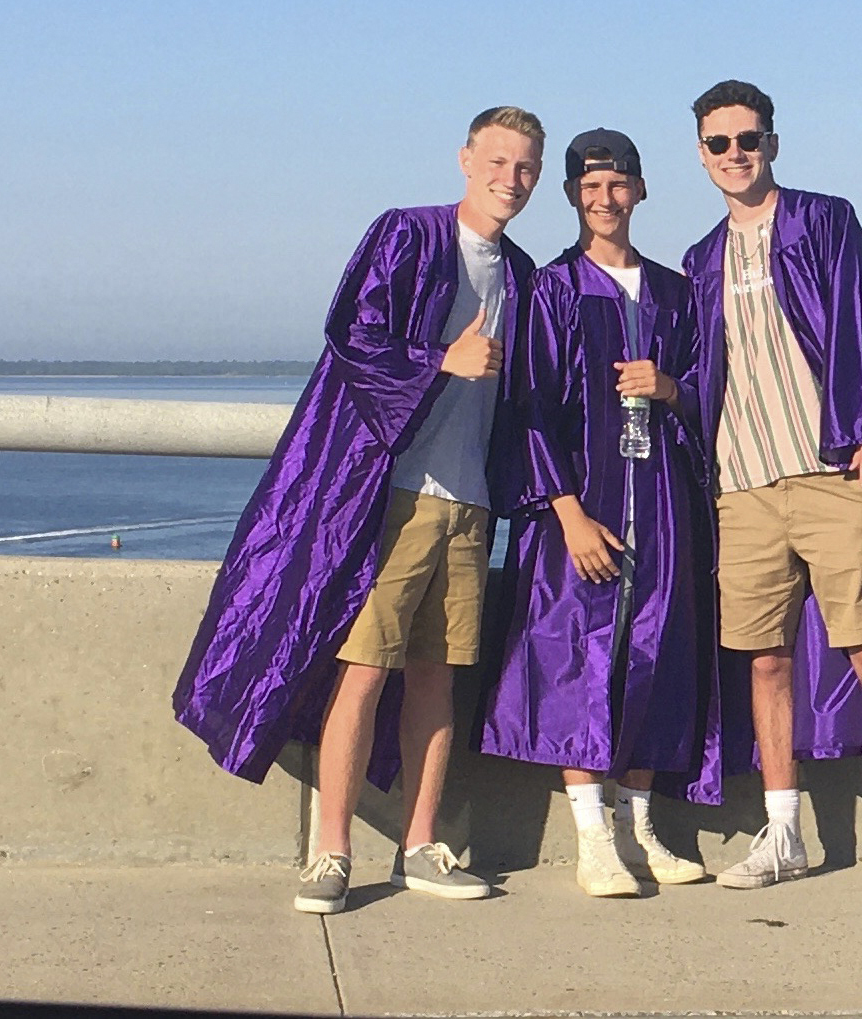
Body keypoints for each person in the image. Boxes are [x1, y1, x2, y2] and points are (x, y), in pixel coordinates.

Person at [173, 106, 544, 916]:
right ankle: (330, 851)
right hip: (393, 494)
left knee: (436, 678)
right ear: (464, 159)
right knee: (363, 670)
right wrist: (439, 361)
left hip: (469, 501)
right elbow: (353, 332)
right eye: (498, 160)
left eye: (525, 166)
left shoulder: (520, 271)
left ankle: (420, 845)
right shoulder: (408, 234)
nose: (509, 177)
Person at [679, 80, 862, 909]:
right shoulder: (698, 260)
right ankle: (782, 830)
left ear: (772, 142)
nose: (735, 154)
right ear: (700, 152)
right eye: (719, 142)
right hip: (744, 483)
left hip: (831, 473)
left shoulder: (822, 221)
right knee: (763, 659)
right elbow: (699, 374)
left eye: (748, 138)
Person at [479, 129, 715, 897]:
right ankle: (592, 837)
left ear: (640, 191)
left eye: (617, 185)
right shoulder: (551, 291)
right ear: (573, 194)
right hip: (581, 504)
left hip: (666, 501)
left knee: (657, 651)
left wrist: (671, 387)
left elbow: (716, 397)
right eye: (590, 187)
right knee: (577, 655)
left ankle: (640, 827)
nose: (605, 200)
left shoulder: (677, 292)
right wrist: (568, 513)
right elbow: (532, 409)